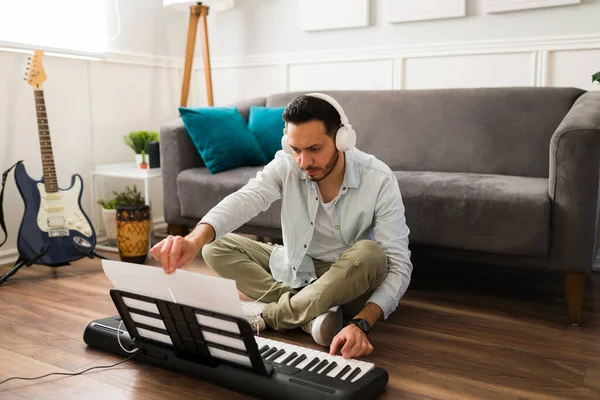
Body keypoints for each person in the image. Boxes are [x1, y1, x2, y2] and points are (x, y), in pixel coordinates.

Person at [150, 93, 412, 359]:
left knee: (371, 253)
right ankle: (309, 314)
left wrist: (362, 322)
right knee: (212, 244)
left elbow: (399, 264)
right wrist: (194, 240)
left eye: (314, 149)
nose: (303, 162)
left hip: (349, 276)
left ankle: (271, 314)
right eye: (296, 149)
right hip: (296, 265)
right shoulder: (287, 163)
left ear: (343, 139)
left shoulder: (378, 178)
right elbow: (247, 197)